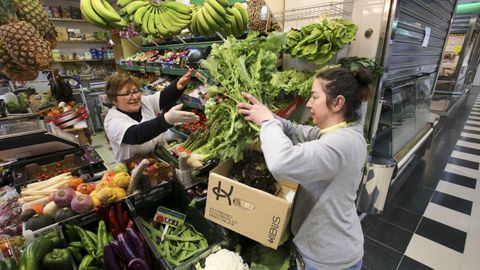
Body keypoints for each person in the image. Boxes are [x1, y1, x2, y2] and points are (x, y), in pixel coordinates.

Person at [237, 67, 372, 270]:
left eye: (314, 97)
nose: (308, 104)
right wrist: (266, 114)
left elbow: (281, 163)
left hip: (328, 258)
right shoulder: (338, 131)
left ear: (337, 103)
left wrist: (266, 122)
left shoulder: (342, 143)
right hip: (323, 247)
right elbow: (295, 131)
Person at [104, 69, 199, 162]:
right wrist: (166, 120)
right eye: (127, 94)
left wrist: (177, 86)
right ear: (114, 100)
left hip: (162, 163)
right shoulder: (113, 120)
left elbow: (164, 97)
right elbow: (136, 135)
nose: (135, 97)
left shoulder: (144, 102)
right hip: (134, 171)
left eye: (135, 91)